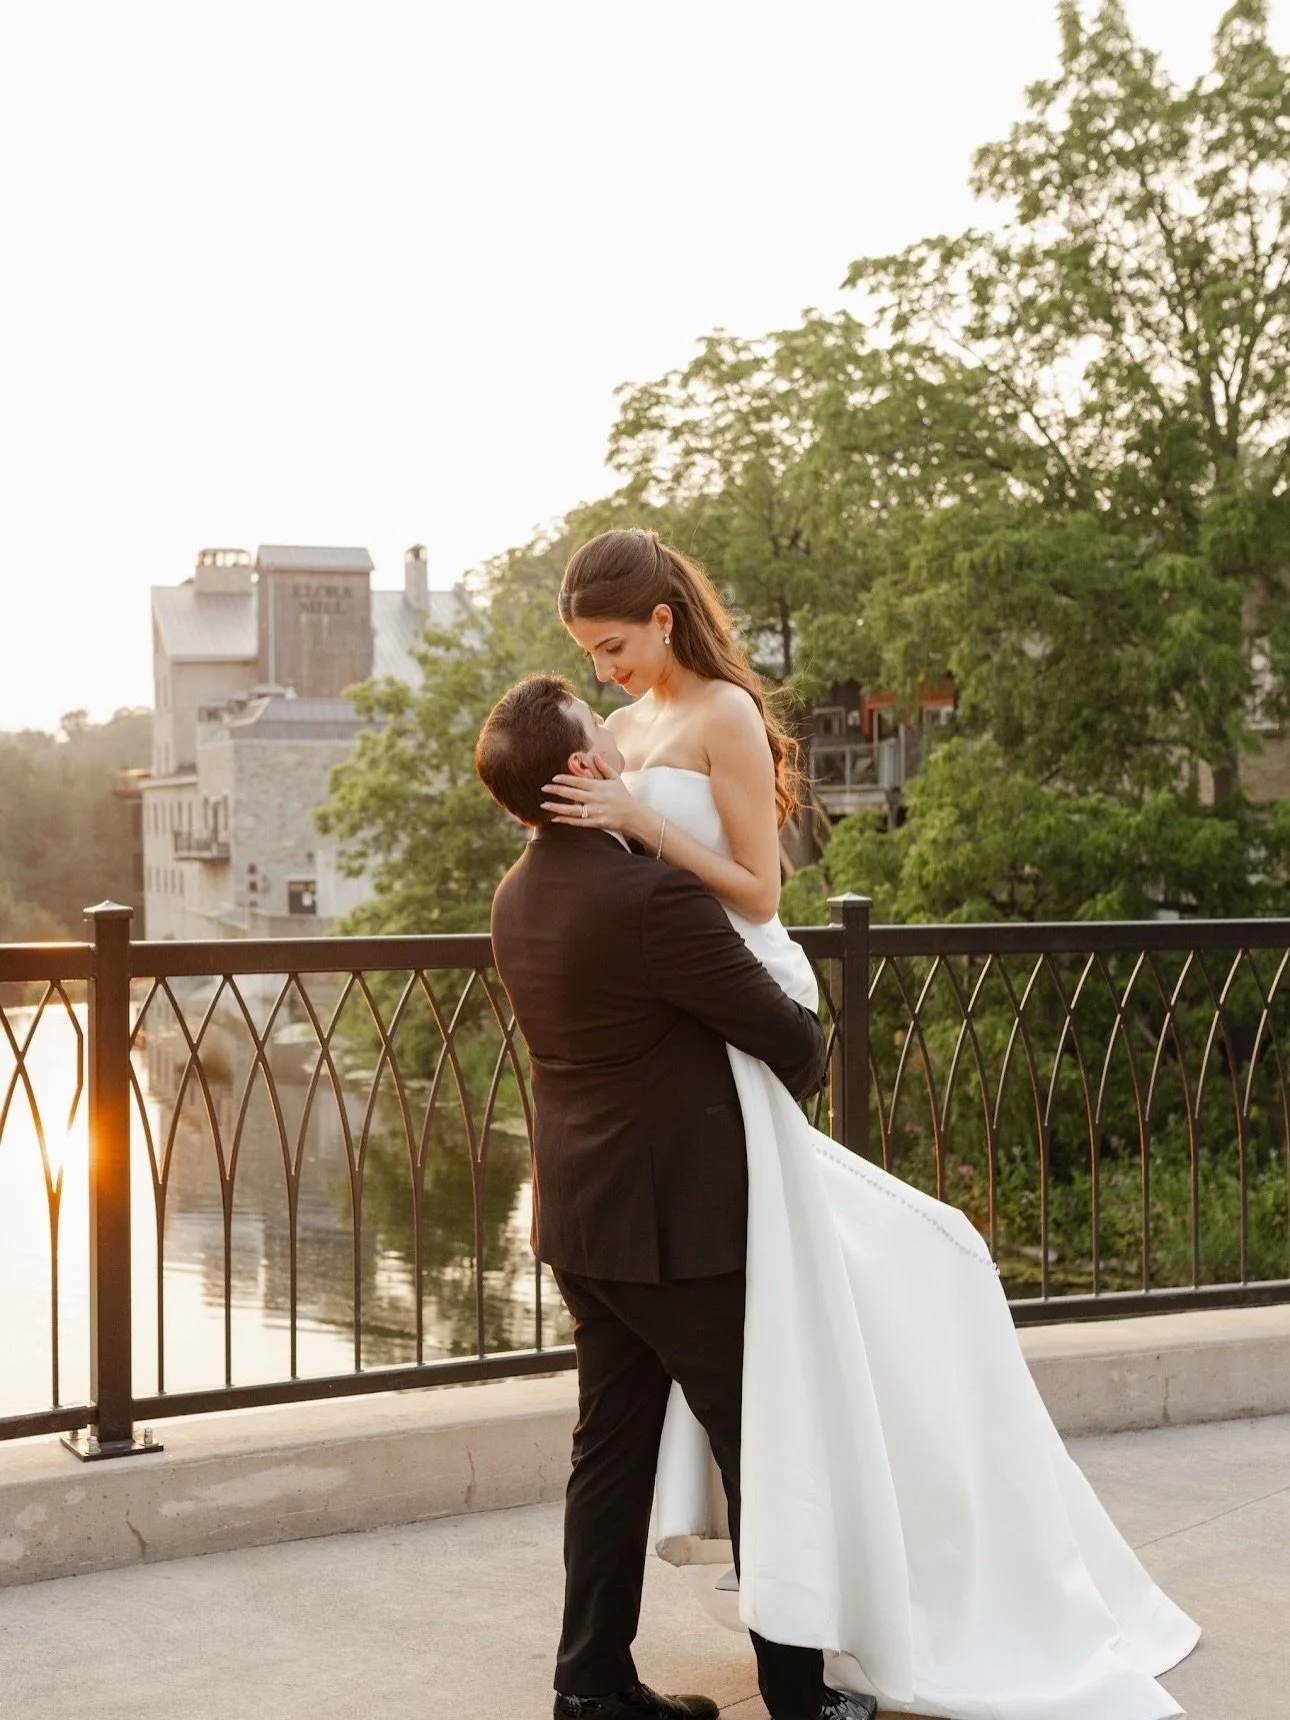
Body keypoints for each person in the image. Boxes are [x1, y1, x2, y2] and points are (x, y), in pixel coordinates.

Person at [531, 527, 1201, 1720]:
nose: (606, 669)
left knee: (895, 1272)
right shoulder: (622, 730)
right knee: (778, 1355)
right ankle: (771, 1652)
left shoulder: (726, 717)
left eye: (615, 644)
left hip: (738, 998)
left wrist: (643, 824)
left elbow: (759, 889)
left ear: (664, 621)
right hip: (677, 1030)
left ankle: (885, 1583)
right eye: (589, 653)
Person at [476, 674, 875, 1720]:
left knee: (608, 1454)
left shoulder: (516, 894)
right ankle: (801, 1700)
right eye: (598, 725)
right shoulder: (651, 898)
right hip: (682, 1230)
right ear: (583, 766)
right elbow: (795, 1041)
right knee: (762, 1450)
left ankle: (591, 1688)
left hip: (581, 1219)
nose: (618, 731)